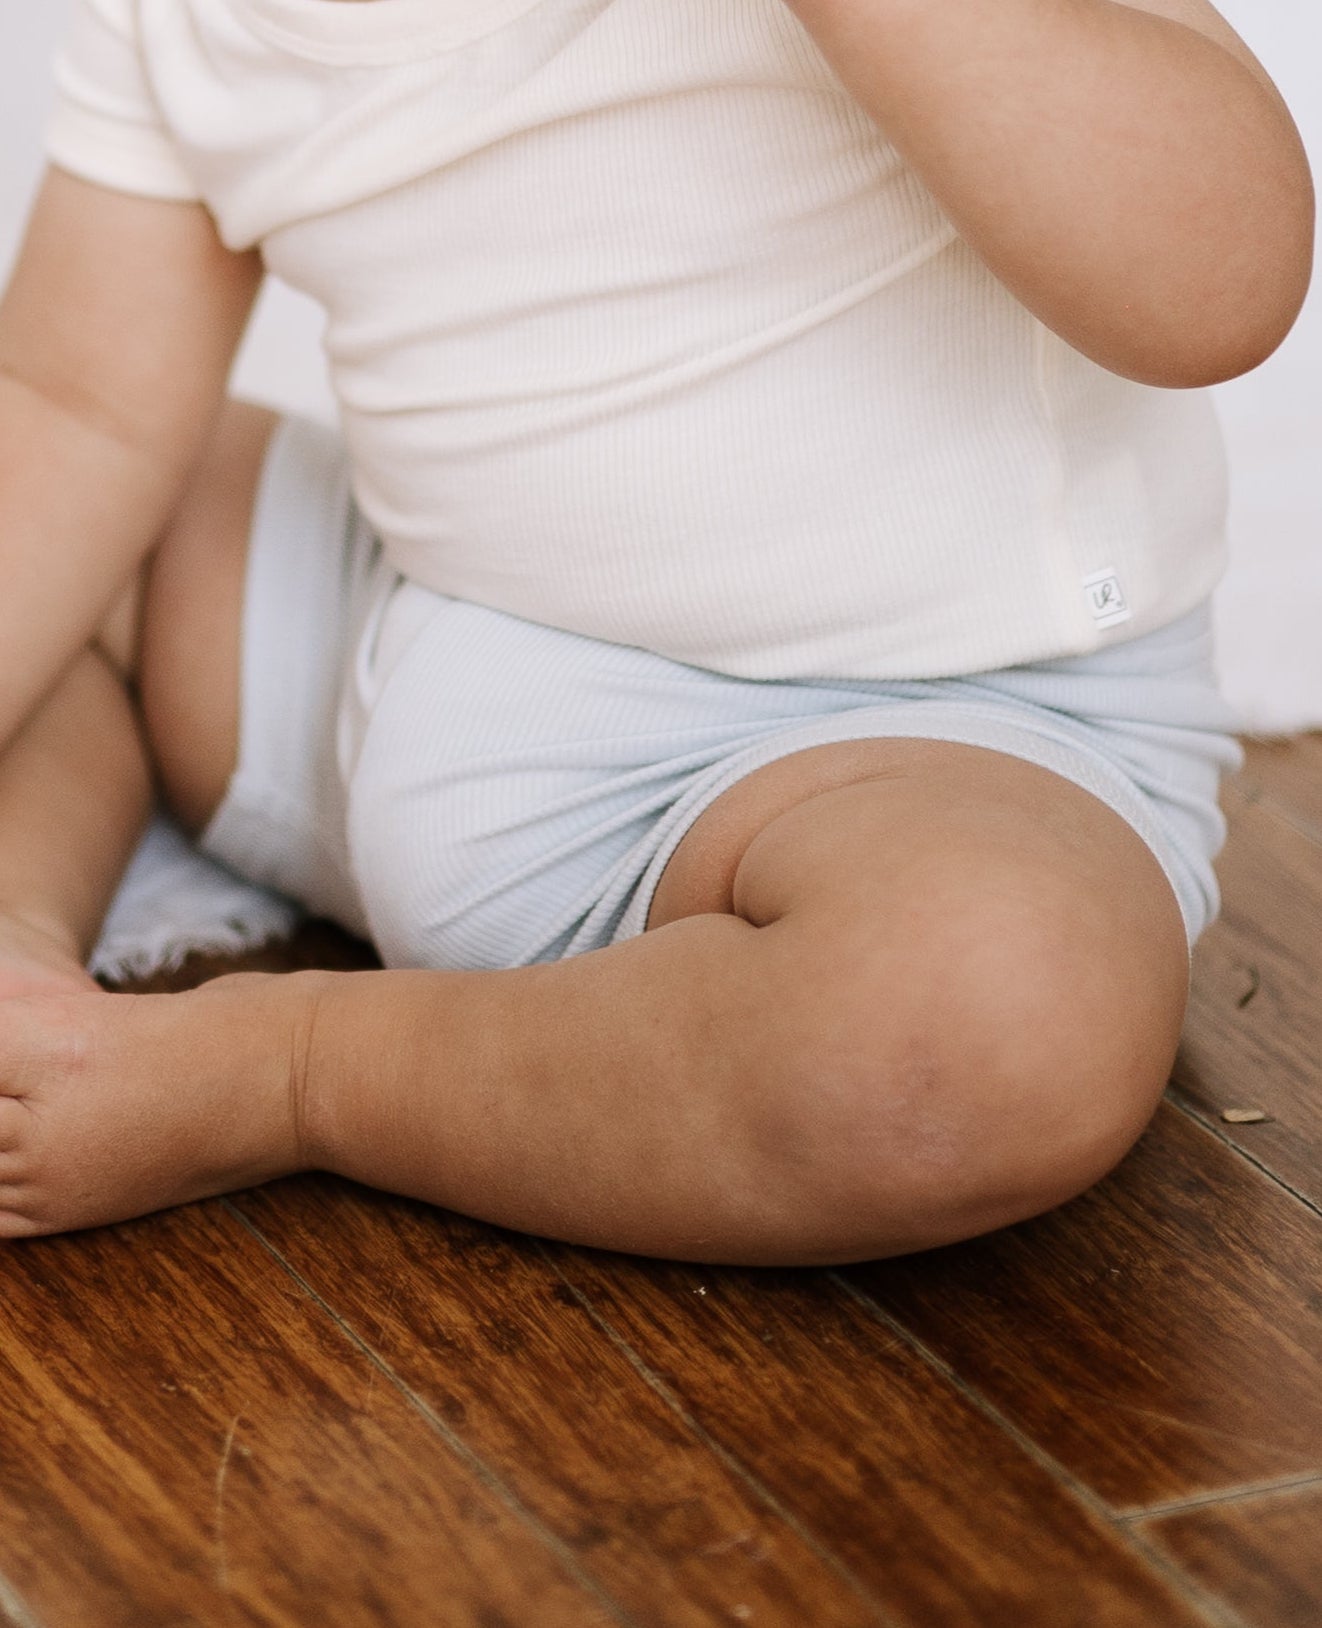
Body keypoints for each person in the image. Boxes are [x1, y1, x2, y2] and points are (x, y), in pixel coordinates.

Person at [0, 0, 1312, 1261]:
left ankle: (298, 1073)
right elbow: (76, 412)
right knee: (73, 514)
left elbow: (1220, 288)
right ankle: (24, 984)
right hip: (405, 642)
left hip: (909, 741)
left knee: (986, 1014)